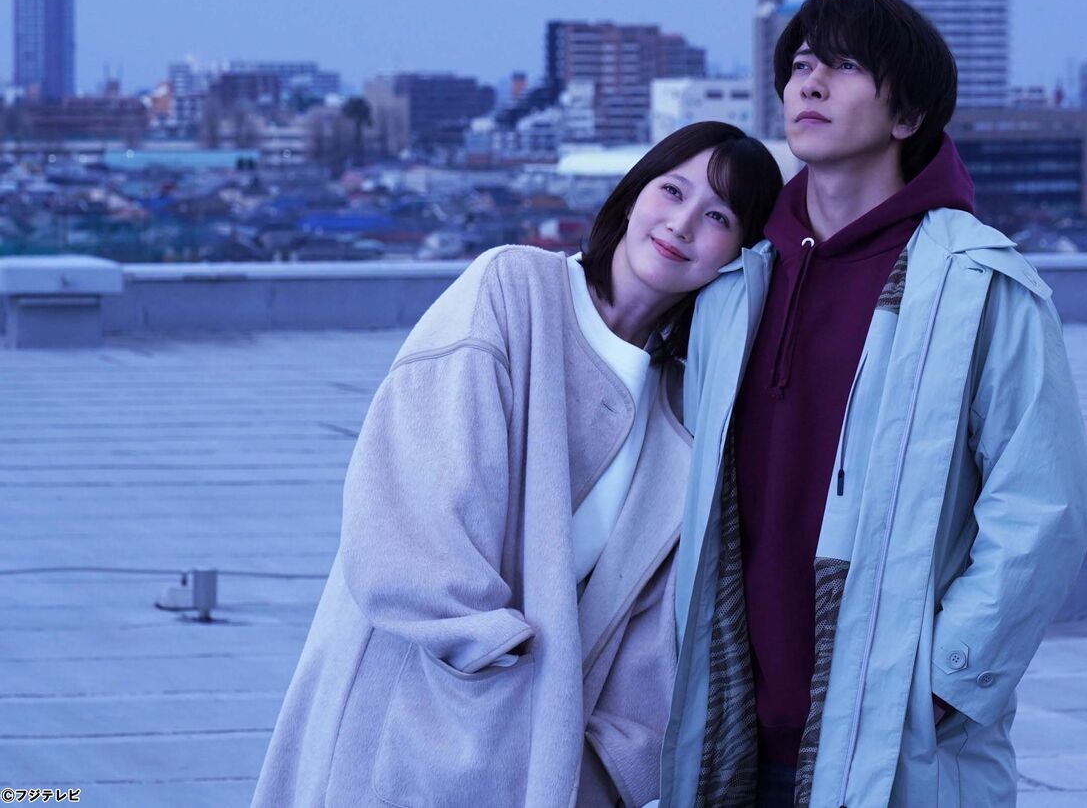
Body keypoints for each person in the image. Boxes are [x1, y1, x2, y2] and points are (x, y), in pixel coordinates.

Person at [250, 121, 782, 808]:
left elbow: (651, 629)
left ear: (736, 254)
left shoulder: (682, 404)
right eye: (672, 191)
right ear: (632, 196)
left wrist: (613, 766)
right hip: (411, 710)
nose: (681, 223)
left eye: (717, 216)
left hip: (543, 764)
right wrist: (491, 662)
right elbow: (412, 508)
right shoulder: (515, 288)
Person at [659, 0, 1087, 808]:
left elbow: (1043, 505)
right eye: (801, 65)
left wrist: (943, 682)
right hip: (729, 734)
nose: (811, 83)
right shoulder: (736, 283)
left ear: (908, 116)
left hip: (894, 738)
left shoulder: (977, 282)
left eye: (846, 65)